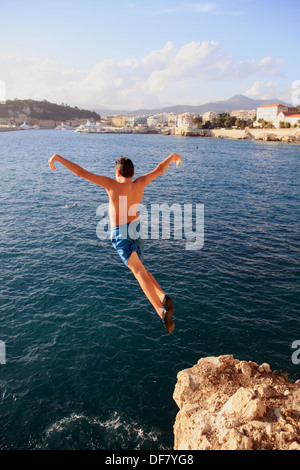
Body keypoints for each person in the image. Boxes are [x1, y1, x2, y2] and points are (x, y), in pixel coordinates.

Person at [48, 152, 182, 334]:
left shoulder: (111, 185)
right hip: (137, 228)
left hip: (122, 232)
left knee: (138, 272)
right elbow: (159, 170)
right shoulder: (140, 183)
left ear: (117, 173)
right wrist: (172, 155)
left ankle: (161, 311)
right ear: (132, 173)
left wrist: (58, 157)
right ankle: (162, 296)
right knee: (141, 268)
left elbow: (81, 173)